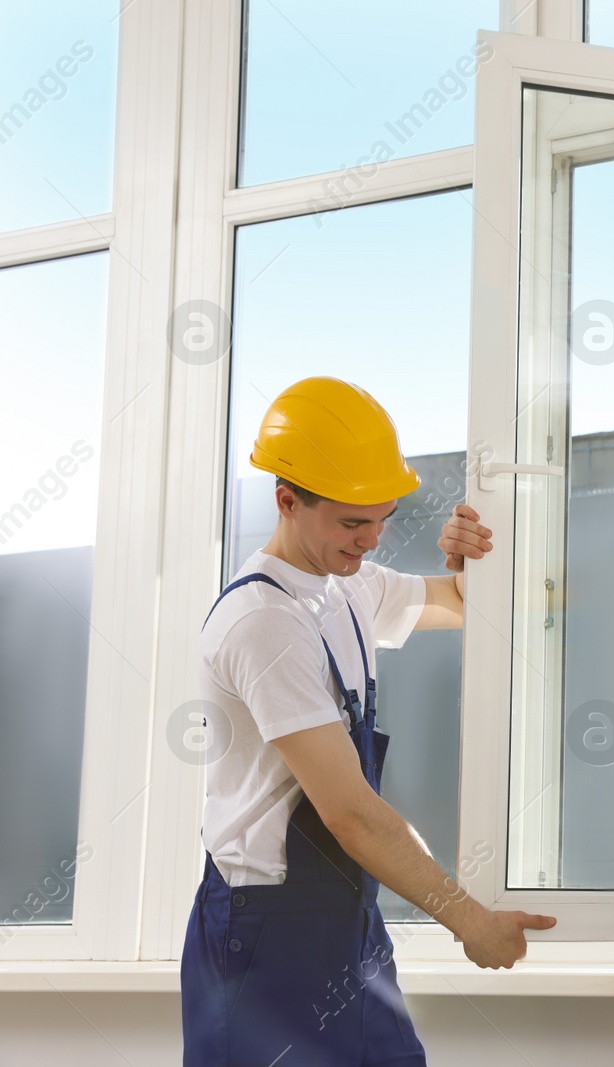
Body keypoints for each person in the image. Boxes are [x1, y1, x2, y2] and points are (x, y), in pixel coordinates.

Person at [180, 377, 555, 1066]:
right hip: (264, 934)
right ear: (286, 501)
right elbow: (349, 812)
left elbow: (463, 603)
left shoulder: (348, 583)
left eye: (382, 517)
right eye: (353, 523)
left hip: (345, 921)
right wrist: (470, 920)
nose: (373, 538)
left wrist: (465, 556)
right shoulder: (265, 622)